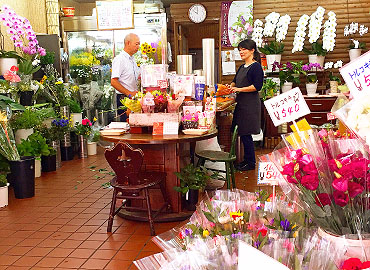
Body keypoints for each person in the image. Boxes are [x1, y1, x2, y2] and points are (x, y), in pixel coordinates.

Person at [228, 39, 264, 171]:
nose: (241, 52)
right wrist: (230, 87)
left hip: (250, 105)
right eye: (240, 50)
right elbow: (234, 81)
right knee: (242, 133)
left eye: (244, 49)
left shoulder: (256, 67)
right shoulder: (242, 67)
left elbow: (257, 86)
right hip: (241, 104)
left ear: (252, 50)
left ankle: (251, 163)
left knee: (246, 133)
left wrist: (238, 90)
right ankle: (246, 160)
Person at [111, 33, 141, 121]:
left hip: (133, 97)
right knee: (127, 125)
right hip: (124, 98)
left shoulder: (132, 60)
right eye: (136, 44)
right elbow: (113, 81)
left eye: (139, 44)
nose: (138, 46)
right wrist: (128, 93)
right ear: (128, 43)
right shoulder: (119, 59)